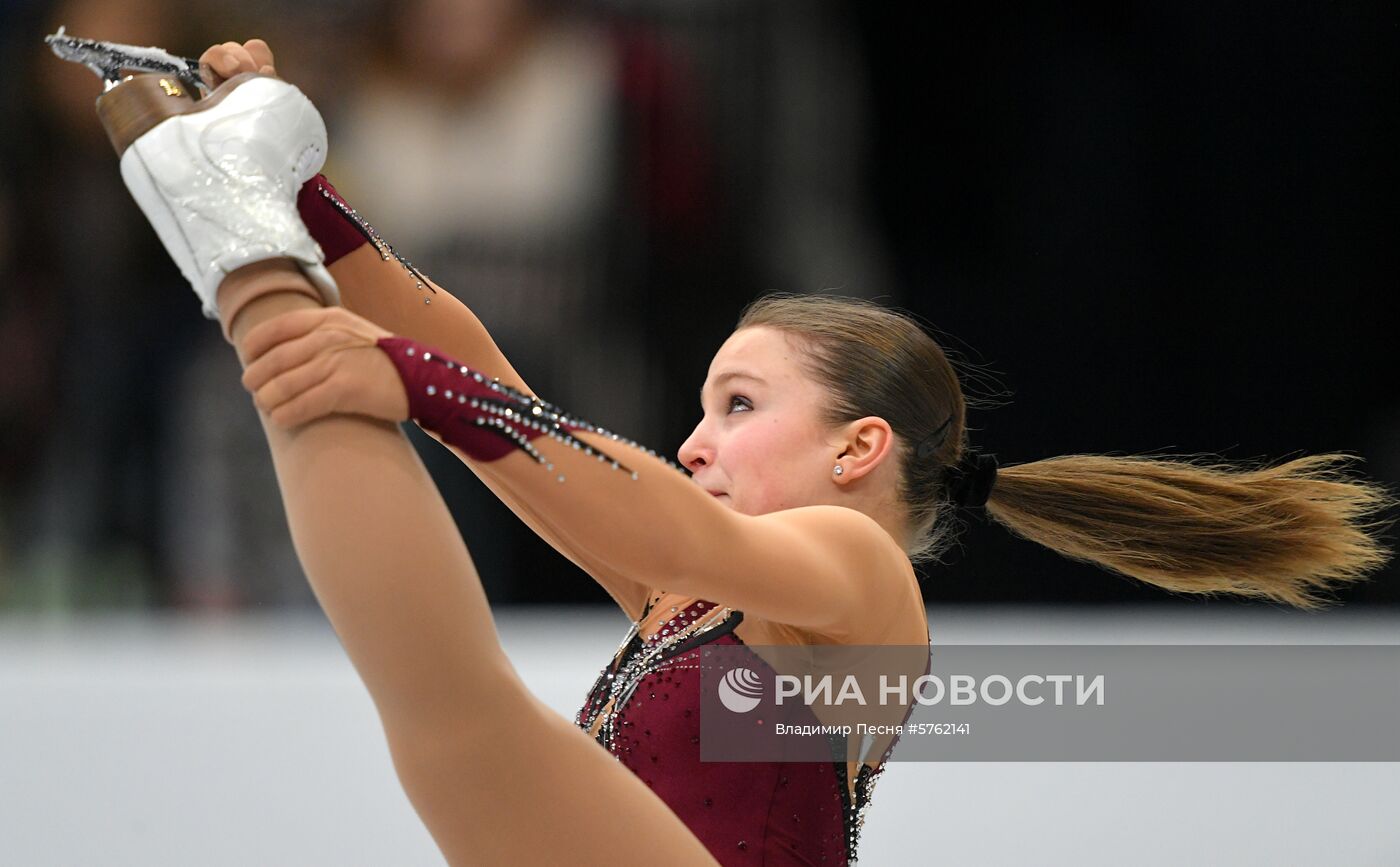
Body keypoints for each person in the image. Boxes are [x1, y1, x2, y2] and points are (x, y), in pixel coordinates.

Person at [93, 39, 1393, 865]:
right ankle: (248, 228)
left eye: (736, 405)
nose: (692, 436)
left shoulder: (856, 580)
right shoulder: (698, 607)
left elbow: (658, 514)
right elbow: (504, 389)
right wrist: (317, 203)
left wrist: (406, 379)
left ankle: (237, 247)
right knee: (447, 712)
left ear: (856, 452)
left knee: (462, 719)